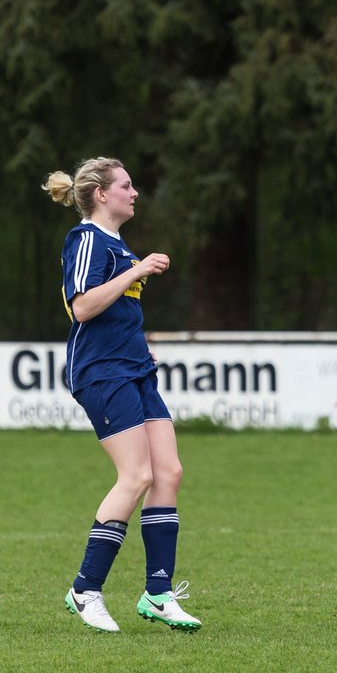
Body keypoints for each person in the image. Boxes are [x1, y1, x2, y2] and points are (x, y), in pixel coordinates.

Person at [44, 158, 200, 633]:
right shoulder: (86, 239)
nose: (134, 193)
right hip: (101, 372)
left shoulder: (116, 244)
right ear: (100, 195)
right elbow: (82, 306)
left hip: (135, 370)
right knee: (135, 475)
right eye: (126, 186)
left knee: (168, 472)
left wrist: (135, 269)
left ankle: (157, 593)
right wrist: (136, 272)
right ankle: (85, 590)